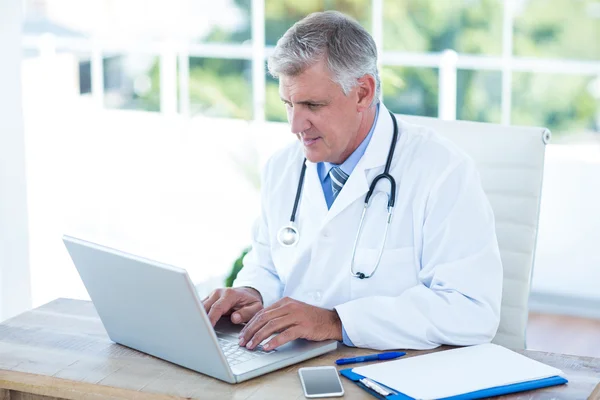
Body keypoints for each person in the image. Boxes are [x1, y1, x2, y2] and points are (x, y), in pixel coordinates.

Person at [202, 11, 502, 351]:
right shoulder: (283, 167)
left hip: (395, 369)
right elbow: (267, 264)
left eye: (312, 105)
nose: (295, 125)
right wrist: (252, 293)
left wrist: (335, 321)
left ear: (362, 92)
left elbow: (471, 310)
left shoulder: (442, 171)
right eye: (289, 104)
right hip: (292, 362)